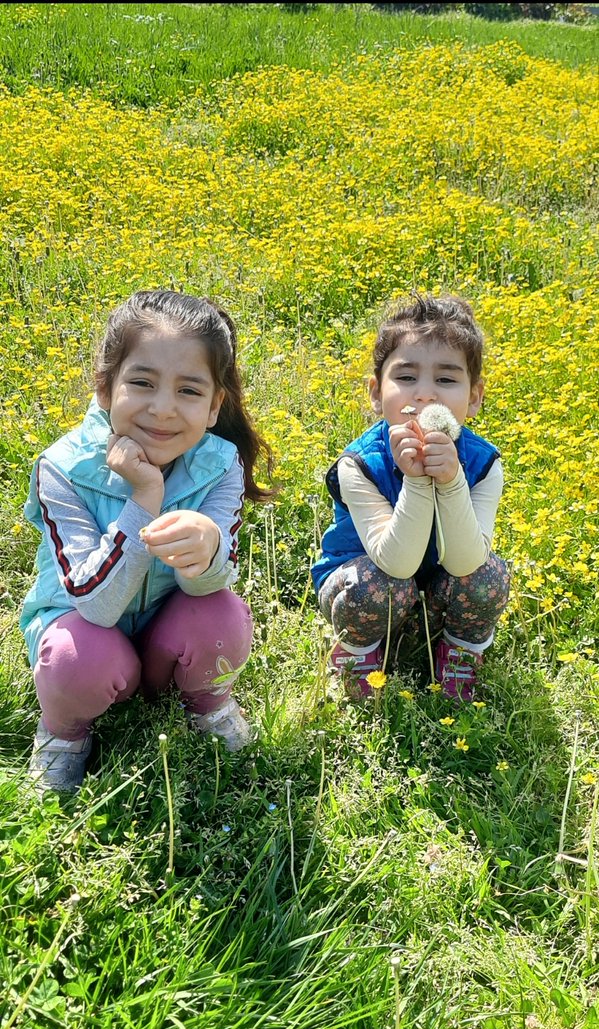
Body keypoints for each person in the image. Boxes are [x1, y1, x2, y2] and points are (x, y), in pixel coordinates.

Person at [20, 288, 274, 793]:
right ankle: (65, 734)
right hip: (88, 632)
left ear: (213, 406)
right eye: (142, 383)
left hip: (166, 634)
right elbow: (95, 606)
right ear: (103, 388)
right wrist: (144, 498)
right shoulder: (63, 468)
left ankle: (206, 705)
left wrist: (207, 552)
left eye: (188, 391)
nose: (162, 409)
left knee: (222, 614)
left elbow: (212, 585)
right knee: (78, 655)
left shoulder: (220, 463)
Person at [311, 293, 510, 702]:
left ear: (474, 398)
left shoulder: (484, 465)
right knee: (377, 586)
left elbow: (466, 561)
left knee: (486, 575)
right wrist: (417, 481)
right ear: (375, 392)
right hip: (369, 587)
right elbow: (394, 562)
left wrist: (452, 480)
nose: (425, 395)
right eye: (406, 378)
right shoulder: (358, 465)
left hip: (436, 588)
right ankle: (359, 654)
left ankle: (460, 650)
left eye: (446, 379)